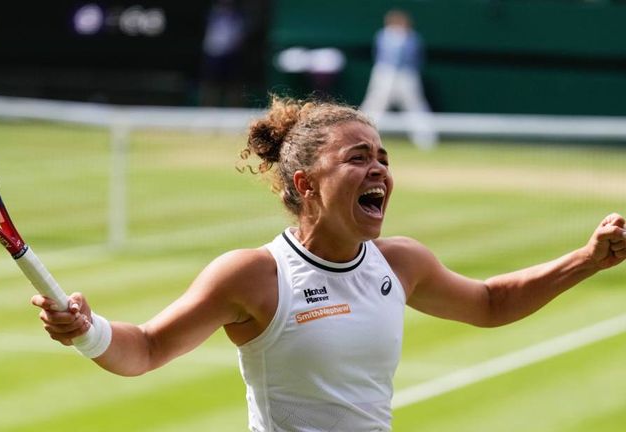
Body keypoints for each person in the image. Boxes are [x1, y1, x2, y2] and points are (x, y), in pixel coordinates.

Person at [32, 96, 626, 431]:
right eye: (358, 157)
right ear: (305, 183)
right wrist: (89, 332)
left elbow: (492, 303)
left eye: (384, 158)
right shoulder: (254, 275)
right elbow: (147, 348)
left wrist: (588, 259)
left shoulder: (401, 262)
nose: (379, 170)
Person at [359, 9, 438, 150]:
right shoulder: (382, 35)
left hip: (406, 75)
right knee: (375, 105)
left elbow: (417, 58)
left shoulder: (413, 37)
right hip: (385, 73)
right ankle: (361, 136)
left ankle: (425, 140)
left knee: (415, 105)